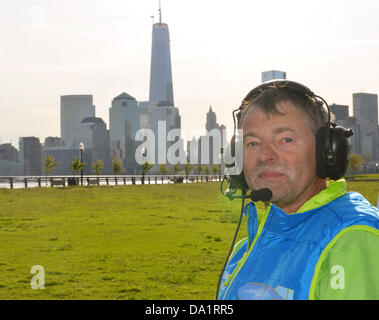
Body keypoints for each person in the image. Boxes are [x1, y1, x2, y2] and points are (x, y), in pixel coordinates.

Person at [217, 80, 379, 300]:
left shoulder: (351, 240)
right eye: (253, 143)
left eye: (286, 139)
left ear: (327, 152)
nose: (265, 155)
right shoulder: (246, 248)